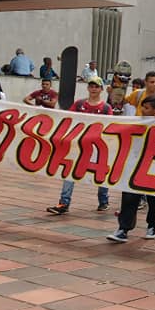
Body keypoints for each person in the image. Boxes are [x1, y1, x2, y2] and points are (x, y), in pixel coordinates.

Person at [46, 77, 113, 215]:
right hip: (78, 145)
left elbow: (110, 126)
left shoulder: (106, 108)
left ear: (101, 89)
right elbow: (69, 119)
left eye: (96, 86)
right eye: (91, 86)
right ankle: (64, 202)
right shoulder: (79, 104)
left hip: (97, 147)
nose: (93, 89)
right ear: (88, 88)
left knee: (101, 173)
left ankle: (103, 201)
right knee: (70, 171)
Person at [107, 95, 155, 242]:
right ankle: (123, 229)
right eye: (142, 107)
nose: (143, 110)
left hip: (153, 168)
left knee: (153, 198)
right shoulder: (136, 121)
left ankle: (152, 225)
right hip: (134, 165)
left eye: (147, 108)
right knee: (129, 196)